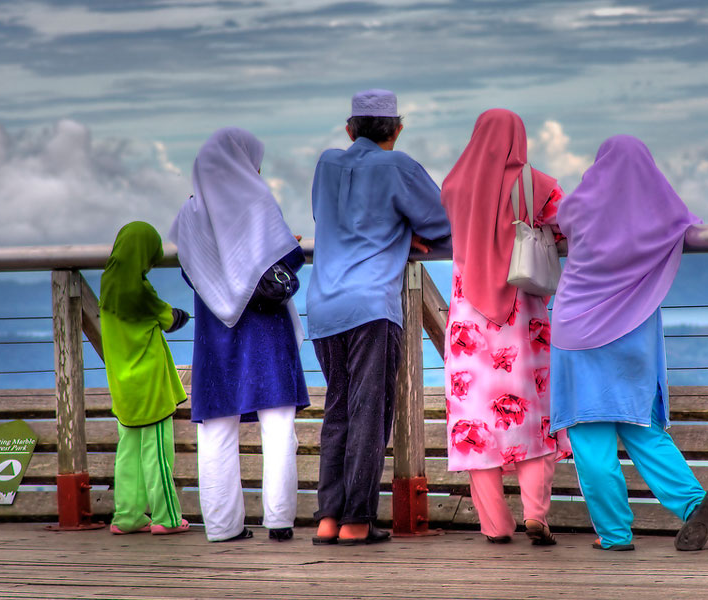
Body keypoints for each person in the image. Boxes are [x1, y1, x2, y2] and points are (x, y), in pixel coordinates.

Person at [549, 135, 708, 551]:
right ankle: (693, 503)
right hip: (633, 331)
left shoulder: (576, 206)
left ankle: (614, 534)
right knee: (641, 426)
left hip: (577, 328)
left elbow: (561, 224)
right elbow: (690, 223)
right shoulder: (660, 209)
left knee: (590, 435)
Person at [307, 89, 451, 545]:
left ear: (350, 129)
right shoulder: (400, 167)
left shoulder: (327, 164)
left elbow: (329, 220)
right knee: (370, 414)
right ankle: (356, 522)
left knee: (339, 410)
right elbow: (442, 225)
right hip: (371, 305)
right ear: (398, 129)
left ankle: (328, 518)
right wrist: (402, 235)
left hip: (324, 302)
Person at [169, 127, 309, 543]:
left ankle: (222, 526)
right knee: (279, 426)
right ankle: (280, 521)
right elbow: (287, 259)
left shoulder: (189, 214)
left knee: (215, 428)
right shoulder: (257, 202)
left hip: (216, 333)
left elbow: (190, 272)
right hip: (265, 329)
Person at [440, 109, 570, 546]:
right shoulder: (538, 185)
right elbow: (570, 225)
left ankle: (495, 525)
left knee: (475, 423)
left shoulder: (454, 185)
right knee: (534, 417)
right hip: (521, 316)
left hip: (468, 321)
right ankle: (536, 514)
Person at [100, 221, 190, 536]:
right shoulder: (141, 290)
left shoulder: (108, 284)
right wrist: (183, 314)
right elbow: (169, 319)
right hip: (150, 385)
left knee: (129, 455)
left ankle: (127, 517)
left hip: (122, 385)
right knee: (158, 456)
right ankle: (167, 518)